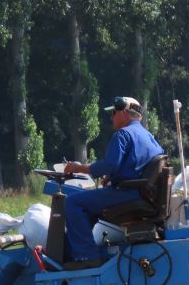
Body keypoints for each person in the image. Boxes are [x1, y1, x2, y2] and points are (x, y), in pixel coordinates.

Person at [62, 96, 164, 269]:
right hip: (143, 193)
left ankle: (86, 257)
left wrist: (77, 168)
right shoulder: (148, 136)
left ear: (124, 113)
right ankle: (73, 252)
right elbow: (139, 164)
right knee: (88, 208)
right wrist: (113, 175)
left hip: (128, 193)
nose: (111, 118)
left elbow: (108, 165)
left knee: (72, 202)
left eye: (114, 113)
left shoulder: (122, 134)